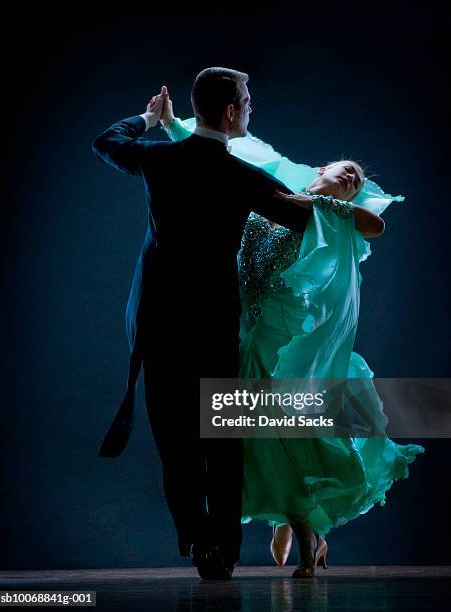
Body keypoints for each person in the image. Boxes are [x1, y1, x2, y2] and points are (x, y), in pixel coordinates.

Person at [92, 67, 364, 580]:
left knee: (176, 442)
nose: (250, 107)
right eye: (247, 100)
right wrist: (348, 203)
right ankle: (224, 548)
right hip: (215, 325)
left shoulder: (157, 158)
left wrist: (151, 118)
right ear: (232, 111)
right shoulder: (239, 175)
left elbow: (107, 142)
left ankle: (198, 542)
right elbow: (305, 219)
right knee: (221, 442)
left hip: (159, 321)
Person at [158, 96, 425, 577]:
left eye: (357, 182)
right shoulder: (272, 186)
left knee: (282, 424)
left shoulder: (332, 216)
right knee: (256, 436)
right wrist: (174, 124)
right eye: (346, 171)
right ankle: (297, 521)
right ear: (322, 166)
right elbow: (230, 155)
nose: (351, 180)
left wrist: (320, 203)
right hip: (248, 325)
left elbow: (375, 224)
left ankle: (302, 529)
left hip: (287, 332)